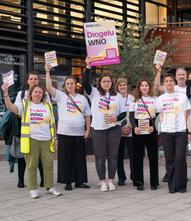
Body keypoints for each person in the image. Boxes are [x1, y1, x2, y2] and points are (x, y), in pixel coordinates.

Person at [2, 83, 61, 199]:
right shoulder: (25, 105)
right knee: (31, 165)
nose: (38, 94)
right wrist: (5, 93)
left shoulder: (48, 106)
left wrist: (55, 138)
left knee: (48, 165)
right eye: (35, 92)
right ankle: (33, 189)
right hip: (31, 140)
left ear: (43, 94)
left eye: (40, 92)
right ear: (31, 93)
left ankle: (49, 187)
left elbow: (53, 123)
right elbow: (11, 108)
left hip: (47, 140)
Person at [45, 63, 91, 191]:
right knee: (66, 158)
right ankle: (67, 182)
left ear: (75, 85)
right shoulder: (61, 96)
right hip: (64, 133)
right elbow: (48, 87)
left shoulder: (82, 98)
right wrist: (47, 71)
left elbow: (87, 115)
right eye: (68, 84)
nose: (70, 85)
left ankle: (80, 181)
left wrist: (88, 129)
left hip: (79, 133)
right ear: (64, 86)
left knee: (79, 158)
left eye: (72, 83)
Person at [82, 57, 125, 192]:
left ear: (112, 83)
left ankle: (111, 180)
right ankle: (102, 182)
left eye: (108, 81)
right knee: (100, 156)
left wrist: (115, 118)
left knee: (113, 156)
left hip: (114, 129)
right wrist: (88, 66)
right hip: (98, 129)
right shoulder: (94, 93)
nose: (106, 83)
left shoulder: (117, 96)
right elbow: (85, 84)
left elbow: (123, 114)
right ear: (100, 83)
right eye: (104, 81)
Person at [156, 73, 191, 193]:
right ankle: (172, 186)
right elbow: (160, 115)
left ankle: (181, 185)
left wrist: (189, 131)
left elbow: (187, 115)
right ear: (164, 84)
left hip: (181, 132)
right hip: (167, 132)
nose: (169, 83)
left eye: (170, 81)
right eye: (166, 81)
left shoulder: (182, 97)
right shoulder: (160, 99)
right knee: (169, 159)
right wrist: (162, 128)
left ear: (174, 83)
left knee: (180, 158)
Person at [14, 71, 51, 188]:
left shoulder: (43, 93)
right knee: (22, 155)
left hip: (40, 126)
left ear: (38, 81)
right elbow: (16, 110)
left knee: (40, 156)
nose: (33, 81)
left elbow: (48, 109)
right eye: (31, 79)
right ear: (27, 81)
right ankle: (21, 180)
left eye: (35, 79)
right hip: (23, 127)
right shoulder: (21, 94)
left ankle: (43, 180)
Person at [132, 78, 159, 191]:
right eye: (142, 85)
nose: (144, 87)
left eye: (146, 85)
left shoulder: (155, 99)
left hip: (150, 128)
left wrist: (154, 127)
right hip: (138, 128)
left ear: (149, 87)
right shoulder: (135, 100)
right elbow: (130, 116)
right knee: (137, 157)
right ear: (139, 87)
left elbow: (158, 116)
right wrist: (135, 127)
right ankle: (139, 182)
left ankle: (154, 182)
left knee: (153, 156)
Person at [115, 78, 135, 187]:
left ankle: (134, 176)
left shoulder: (133, 98)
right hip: (118, 131)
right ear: (117, 87)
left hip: (131, 130)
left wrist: (131, 126)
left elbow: (135, 114)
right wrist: (121, 128)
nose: (122, 87)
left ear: (127, 86)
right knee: (119, 156)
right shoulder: (114, 99)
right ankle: (121, 178)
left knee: (133, 155)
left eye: (124, 85)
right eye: (120, 85)